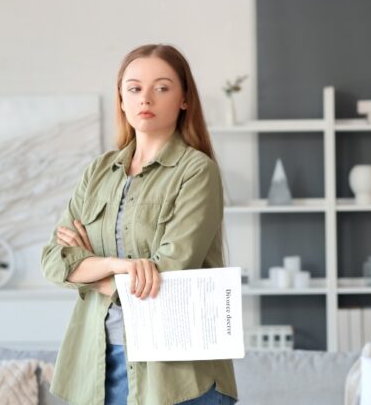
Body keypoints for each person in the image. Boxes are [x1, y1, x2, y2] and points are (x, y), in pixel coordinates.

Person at [41, 44, 237, 404]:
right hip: (100, 366)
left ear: (184, 99)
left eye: (161, 88)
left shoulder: (197, 172)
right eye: (134, 88)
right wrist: (121, 266)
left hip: (177, 377)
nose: (146, 98)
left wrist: (93, 275)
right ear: (121, 98)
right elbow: (55, 261)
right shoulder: (98, 172)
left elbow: (169, 272)